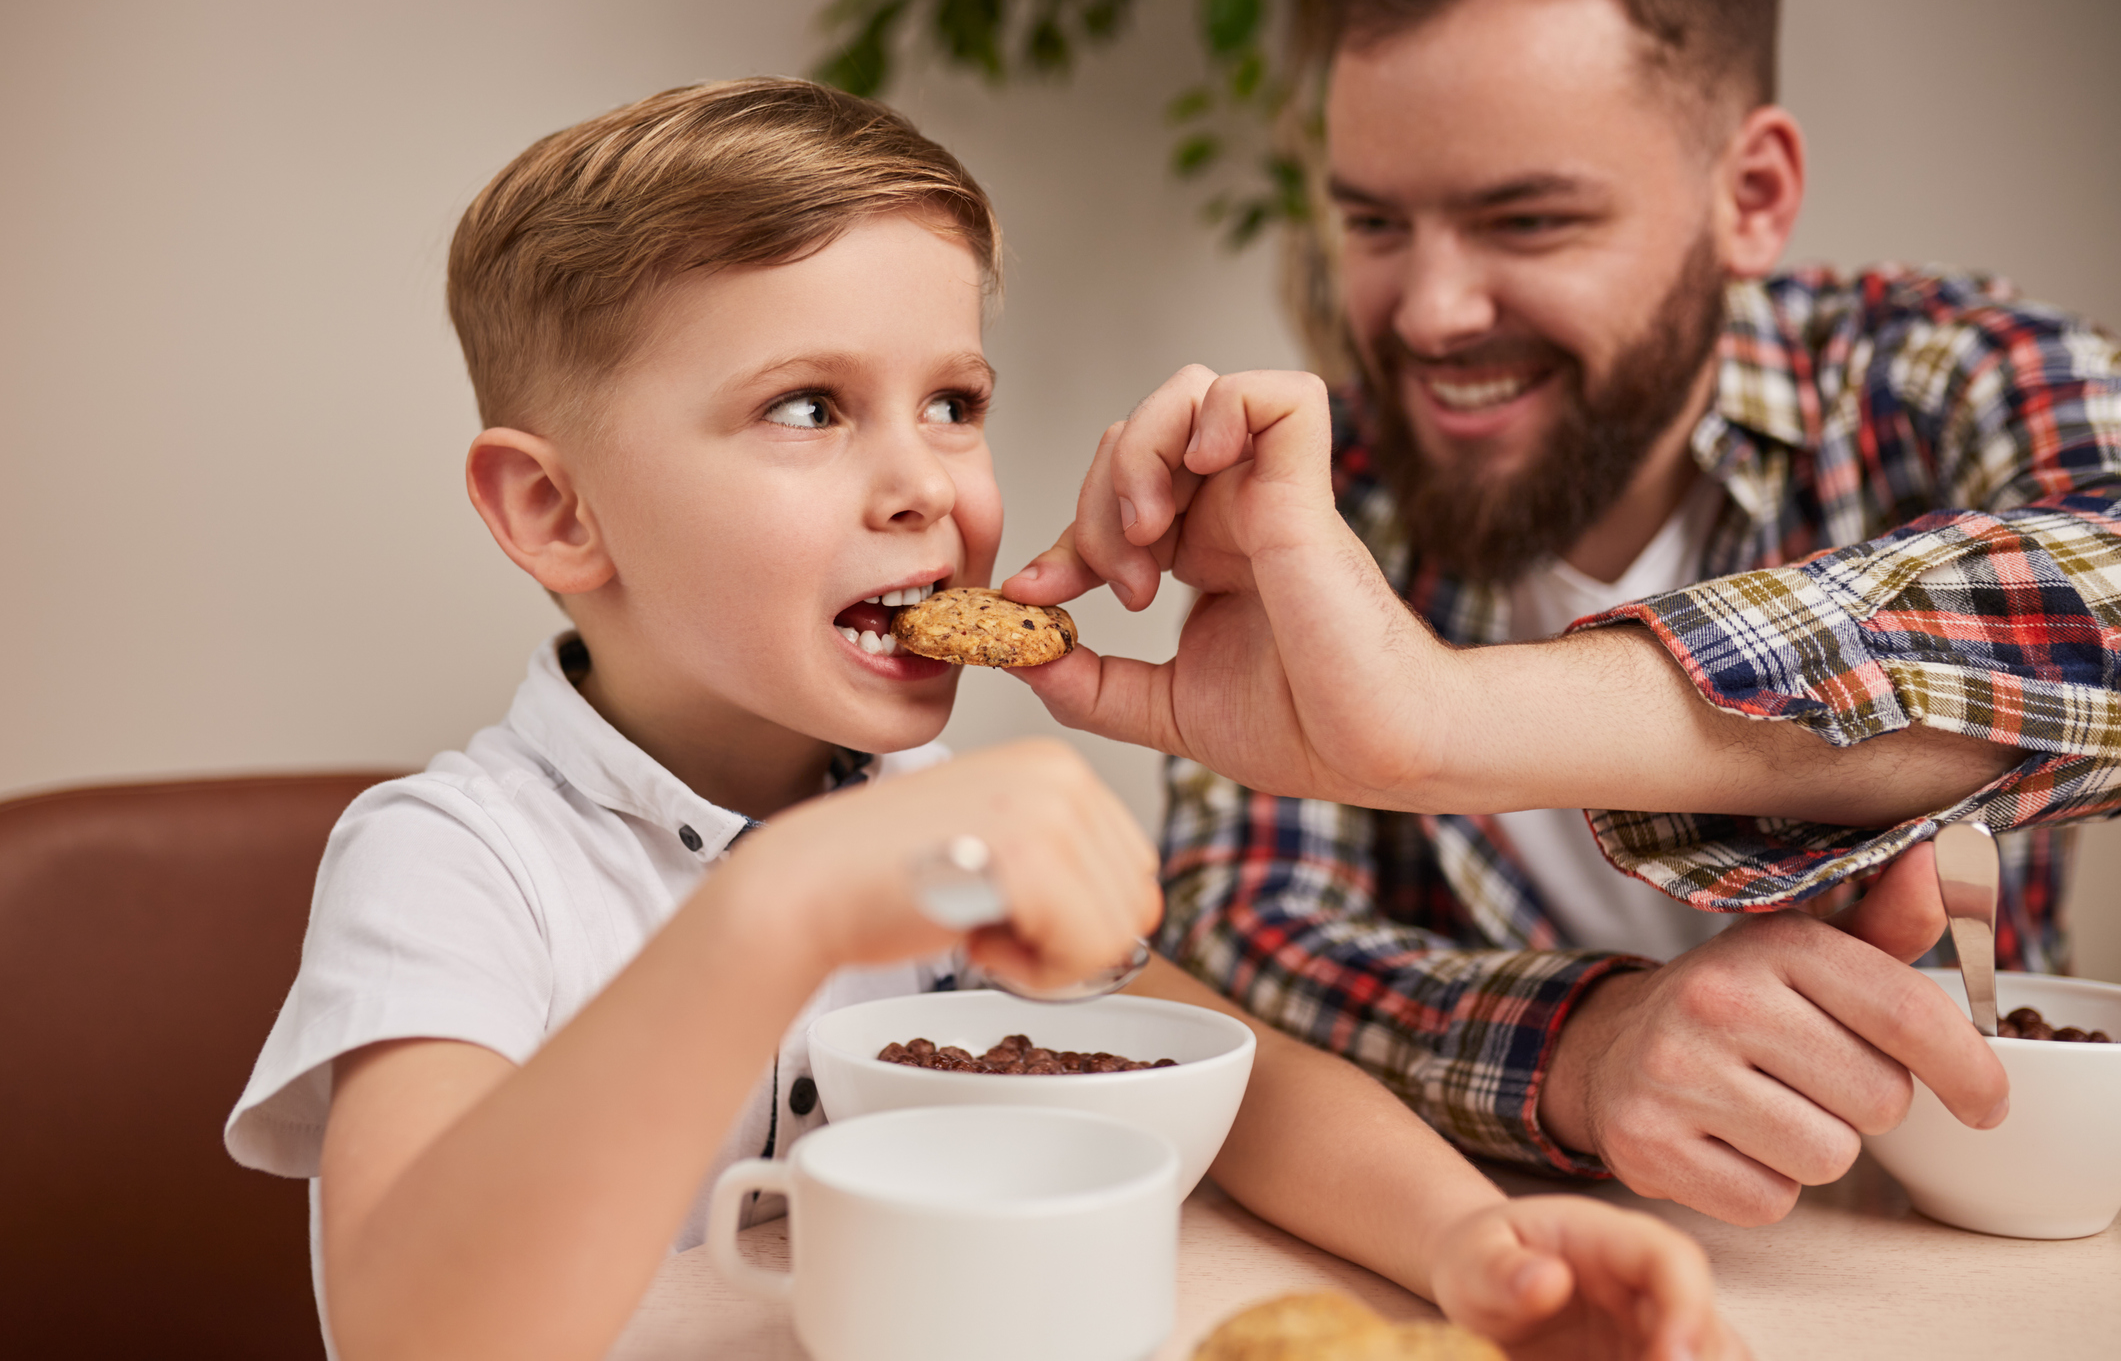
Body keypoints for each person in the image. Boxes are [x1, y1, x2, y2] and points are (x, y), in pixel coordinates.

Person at [223, 79, 1745, 1361]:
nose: (927, 486)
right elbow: (410, 1321)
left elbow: (1237, 1082)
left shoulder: (931, 827)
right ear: (556, 509)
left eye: (952, 401)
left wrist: (1476, 1246)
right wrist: (785, 903)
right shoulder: (452, 862)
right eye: (809, 406)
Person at [1002, 0, 2121, 1228]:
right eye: (1373, 221)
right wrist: (1582, 1048)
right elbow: (1252, 926)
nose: (1427, 313)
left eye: (1527, 219)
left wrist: (1441, 722)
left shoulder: (1935, 380)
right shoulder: (1318, 502)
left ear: (1748, 194)